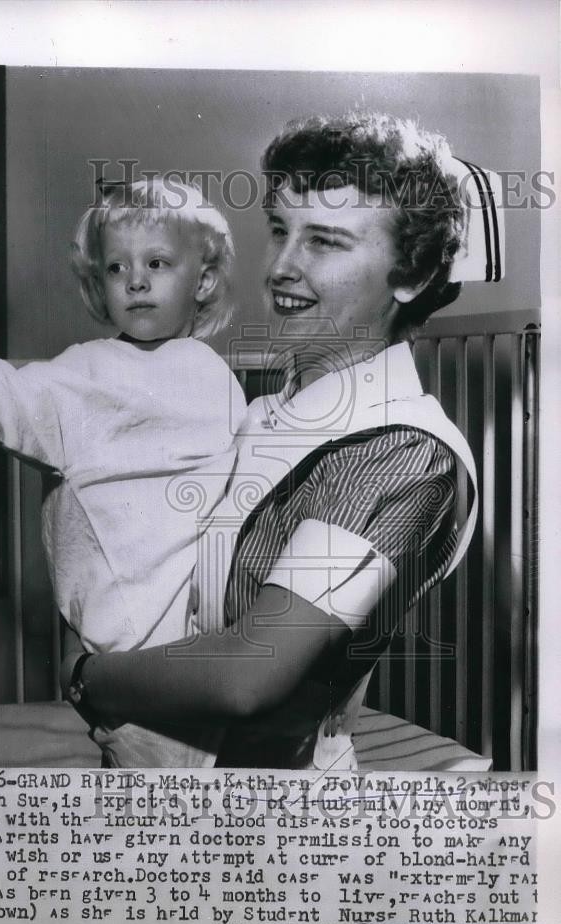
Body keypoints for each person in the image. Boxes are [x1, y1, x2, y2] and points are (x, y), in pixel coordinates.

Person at [60, 111, 494, 769]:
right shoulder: (270, 413)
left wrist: (87, 678)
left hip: (269, 803)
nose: (283, 268)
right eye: (278, 231)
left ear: (410, 273)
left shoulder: (400, 451)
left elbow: (247, 675)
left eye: (324, 241)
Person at [0, 178, 247, 768]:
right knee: (156, 782)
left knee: (208, 788)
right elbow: (5, 397)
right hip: (123, 638)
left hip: (202, 627)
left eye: (157, 263)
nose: (135, 280)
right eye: (116, 269)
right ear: (99, 285)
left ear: (204, 280)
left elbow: (246, 487)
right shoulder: (87, 369)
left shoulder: (219, 378)